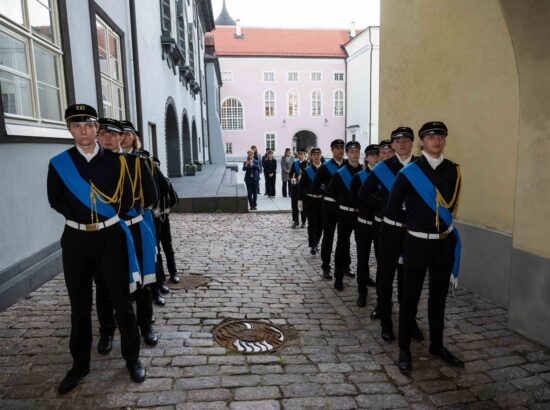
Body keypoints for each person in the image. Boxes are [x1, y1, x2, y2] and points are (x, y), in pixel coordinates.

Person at [47, 104, 145, 394]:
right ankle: (79, 365)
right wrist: (82, 217)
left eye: (89, 125)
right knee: (79, 306)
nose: (84, 131)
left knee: (122, 302)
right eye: (77, 126)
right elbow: (56, 200)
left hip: (110, 238)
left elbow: (126, 199)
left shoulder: (117, 162)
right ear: (70, 130)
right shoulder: (59, 163)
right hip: (76, 241)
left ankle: (132, 358)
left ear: (95, 128)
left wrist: (102, 218)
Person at [387, 121, 463, 371]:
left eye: (441, 136)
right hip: (417, 243)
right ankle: (404, 349)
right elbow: (392, 209)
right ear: (421, 141)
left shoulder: (453, 170)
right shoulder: (409, 172)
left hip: (443, 244)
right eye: (431, 137)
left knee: (438, 298)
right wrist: (413, 224)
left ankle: (437, 345)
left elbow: (449, 207)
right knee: (410, 297)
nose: (437, 140)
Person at [95, 118, 160, 349]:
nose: (108, 139)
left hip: (133, 226)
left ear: (121, 136)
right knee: (104, 285)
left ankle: (146, 326)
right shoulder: (90, 166)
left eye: (113, 134)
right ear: (96, 137)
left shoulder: (135, 162)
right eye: (102, 134)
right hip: (105, 233)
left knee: (142, 284)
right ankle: (107, 332)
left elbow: (151, 196)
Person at [361, 127, 423, 342]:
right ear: (393, 145)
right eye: (398, 141)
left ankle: (410, 321)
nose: (403, 144)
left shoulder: (421, 166)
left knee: (409, 279)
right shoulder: (382, 167)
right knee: (386, 276)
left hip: (413, 232)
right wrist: (386, 208)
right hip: (389, 230)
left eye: (407, 140)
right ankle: (386, 322)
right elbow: (364, 193)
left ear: (413, 143)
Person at [326, 141, 362, 291]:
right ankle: (338, 277)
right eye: (351, 151)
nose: (355, 154)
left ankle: (364, 277)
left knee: (363, 248)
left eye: (357, 151)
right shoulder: (340, 173)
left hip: (361, 215)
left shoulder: (365, 171)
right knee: (342, 246)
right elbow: (330, 194)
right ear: (347, 153)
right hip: (345, 214)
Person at [312, 139, 348, 280]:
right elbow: (316, 186)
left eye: (341, 147)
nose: (340, 150)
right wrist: (328, 190)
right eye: (337, 148)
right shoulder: (325, 167)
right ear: (332, 150)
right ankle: (326, 267)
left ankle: (346, 265)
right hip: (330, 206)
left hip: (345, 207)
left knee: (344, 238)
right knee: (328, 237)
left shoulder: (348, 165)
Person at [351, 144, 380, 307]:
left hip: (381, 224)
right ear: (366, 158)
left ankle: (383, 297)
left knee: (382, 260)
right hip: (364, 223)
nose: (376, 157)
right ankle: (362, 292)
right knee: (362, 259)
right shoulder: (359, 177)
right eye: (372, 155)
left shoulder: (386, 175)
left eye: (378, 155)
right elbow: (355, 199)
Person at [298, 147, 324, 255]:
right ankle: (312, 245)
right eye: (314, 155)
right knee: (312, 223)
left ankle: (317, 242)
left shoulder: (325, 169)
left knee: (321, 224)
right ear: (311, 157)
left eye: (318, 154)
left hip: (322, 201)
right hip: (310, 200)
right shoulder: (307, 171)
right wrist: (300, 200)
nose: (317, 157)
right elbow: (301, 186)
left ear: (320, 156)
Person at [288, 148, 308, 228]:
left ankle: (303, 221)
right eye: (298, 154)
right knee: (294, 205)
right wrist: (292, 178)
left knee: (303, 205)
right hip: (295, 188)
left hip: (304, 188)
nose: (299, 156)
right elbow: (290, 174)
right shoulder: (295, 164)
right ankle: (296, 221)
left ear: (305, 154)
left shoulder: (308, 164)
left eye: (301, 154)